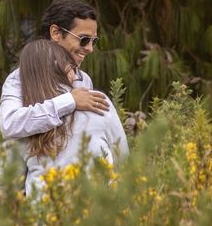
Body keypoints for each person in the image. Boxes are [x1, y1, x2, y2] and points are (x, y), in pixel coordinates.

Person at [15, 40, 128, 196]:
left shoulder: (21, 122)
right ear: (58, 65)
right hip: (98, 211)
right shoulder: (96, 101)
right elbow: (122, 159)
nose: (76, 74)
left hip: (43, 215)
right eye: (71, 66)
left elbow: (8, 188)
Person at [0, 0, 108, 140]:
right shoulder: (19, 77)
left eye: (94, 41)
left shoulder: (83, 80)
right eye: (84, 40)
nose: (90, 49)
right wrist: (70, 101)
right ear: (55, 33)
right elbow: (9, 125)